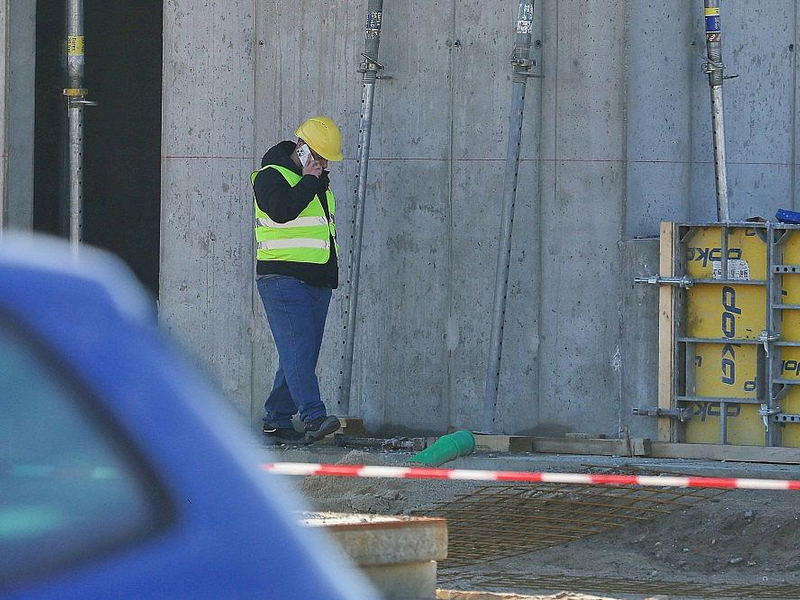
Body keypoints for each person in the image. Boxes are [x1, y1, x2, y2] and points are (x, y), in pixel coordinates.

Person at [251, 116, 343, 445]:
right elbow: (280, 210)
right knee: (299, 350)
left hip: (316, 280)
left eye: (325, 158)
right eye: (316, 155)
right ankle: (313, 415)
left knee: (300, 353)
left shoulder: (317, 183)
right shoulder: (270, 176)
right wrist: (308, 180)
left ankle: (277, 418)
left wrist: (329, 275)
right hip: (282, 278)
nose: (321, 162)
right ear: (301, 148)